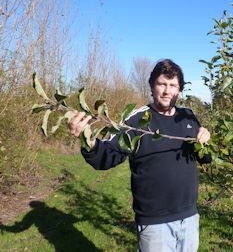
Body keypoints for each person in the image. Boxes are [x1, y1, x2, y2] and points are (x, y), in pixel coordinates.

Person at [68, 59, 211, 252]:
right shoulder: (136, 120)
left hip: (190, 216)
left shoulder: (188, 117)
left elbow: (204, 158)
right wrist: (88, 140)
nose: (167, 91)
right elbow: (107, 156)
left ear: (179, 89)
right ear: (152, 86)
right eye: (162, 84)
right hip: (155, 222)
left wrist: (205, 140)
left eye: (173, 85)